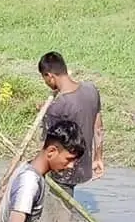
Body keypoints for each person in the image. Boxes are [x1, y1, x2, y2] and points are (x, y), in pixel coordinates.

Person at [38, 52, 104, 193]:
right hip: (84, 167)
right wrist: (98, 158)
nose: (46, 84)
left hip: (64, 171)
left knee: (60, 211)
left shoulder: (57, 107)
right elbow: (98, 128)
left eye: (45, 79)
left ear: (50, 76)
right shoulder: (91, 90)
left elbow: (48, 148)